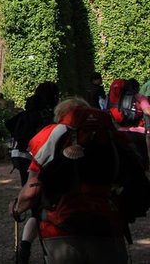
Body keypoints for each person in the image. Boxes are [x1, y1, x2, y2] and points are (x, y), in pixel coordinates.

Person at [12, 97, 131, 264]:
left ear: (61, 115)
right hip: (108, 225)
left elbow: (32, 189)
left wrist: (17, 208)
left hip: (61, 229)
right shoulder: (113, 136)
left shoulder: (51, 135)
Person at [5, 81, 59, 263]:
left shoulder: (30, 107)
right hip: (37, 156)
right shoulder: (47, 112)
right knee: (43, 203)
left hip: (19, 155)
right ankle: (39, 248)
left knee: (35, 201)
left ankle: (24, 250)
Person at [109, 78, 150, 167]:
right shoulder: (139, 97)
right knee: (141, 163)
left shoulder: (116, 99)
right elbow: (147, 112)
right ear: (135, 88)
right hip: (138, 134)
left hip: (120, 133)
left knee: (125, 163)